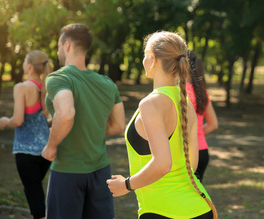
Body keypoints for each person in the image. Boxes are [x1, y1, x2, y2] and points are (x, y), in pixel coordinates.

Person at [107, 31, 217, 219]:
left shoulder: (150, 104)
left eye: (144, 56)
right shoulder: (185, 103)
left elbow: (163, 164)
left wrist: (126, 185)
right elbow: (192, 163)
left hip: (164, 211)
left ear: (151, 59)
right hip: (199, 207)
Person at [41, 23, 126, 219]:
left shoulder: (58, 78)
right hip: (100, 172)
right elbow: (118, 126)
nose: (58, 50)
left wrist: (51, 147)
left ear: (67, 45)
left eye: (59, 46)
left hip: (67, 171)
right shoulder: (107, 84)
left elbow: (67, 113)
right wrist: (90, 125)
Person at [0, 50, 52, 219]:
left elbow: (18, 120)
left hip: (25, 152)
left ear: (29, 66)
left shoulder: (21, 88)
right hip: (45, 152)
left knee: (34, 198)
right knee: (36, 194)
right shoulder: (46, 88)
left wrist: (6, 121)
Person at [186, 49, 219, 182]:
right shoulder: (201, 92)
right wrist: (197, 133)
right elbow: (213, 124)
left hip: (187, 153)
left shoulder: (179, 92)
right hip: (203, 151)